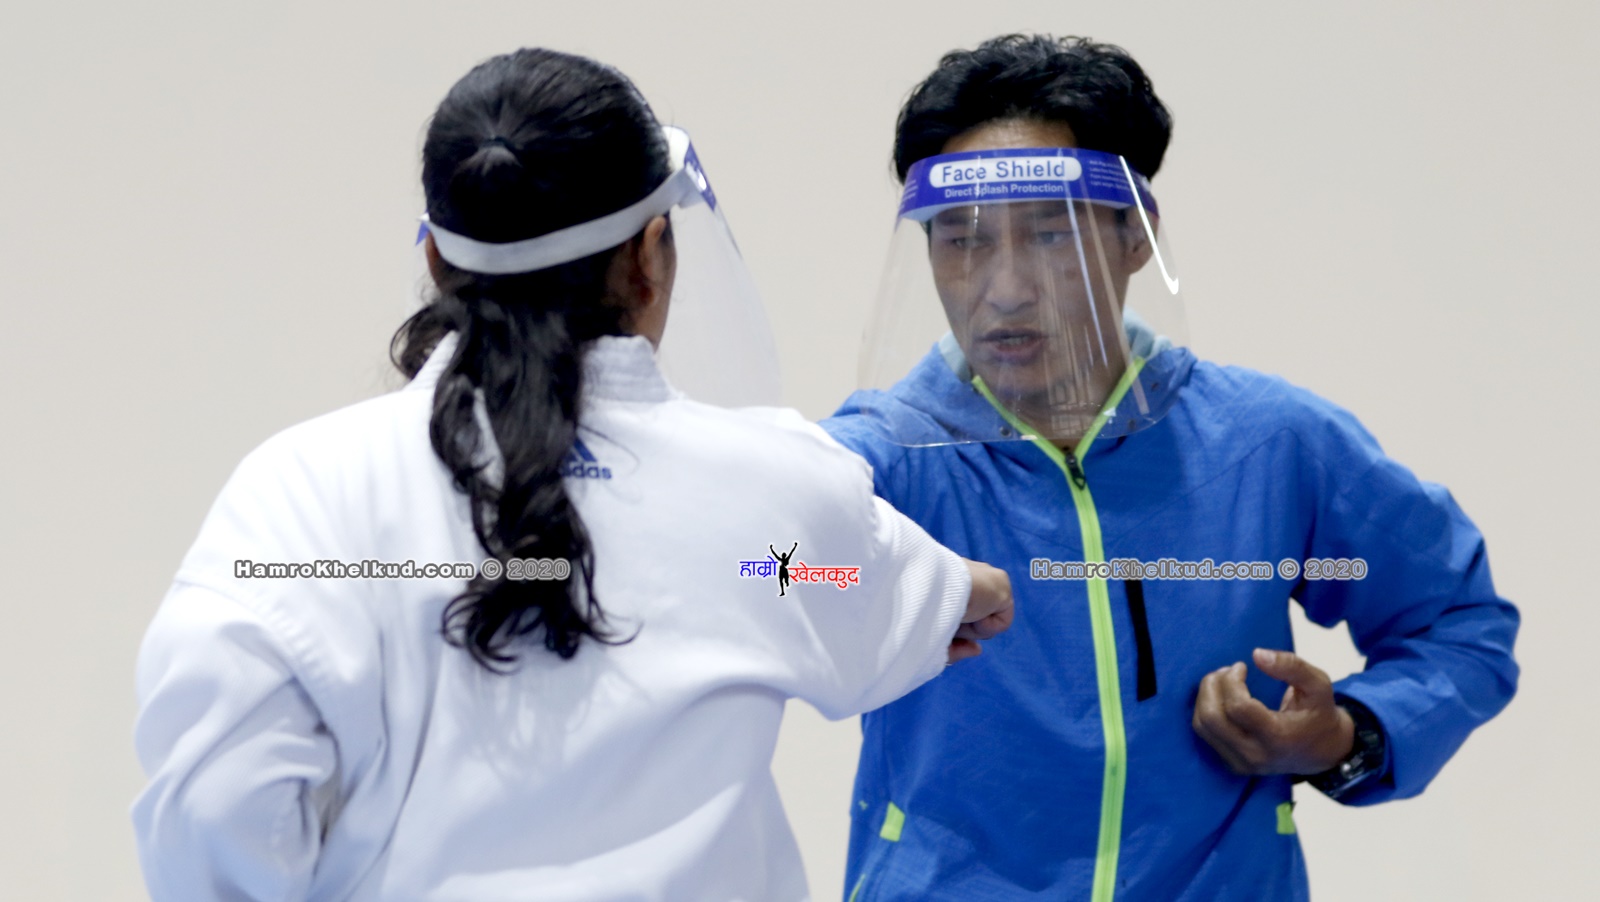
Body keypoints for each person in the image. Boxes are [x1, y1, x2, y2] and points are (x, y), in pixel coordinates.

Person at [131, 48, 1013, 901]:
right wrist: (955, 591)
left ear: (436, 262)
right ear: (649, 255)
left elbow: (215, 806)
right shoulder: (775, 496)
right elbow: (871, 589)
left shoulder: (298, 494)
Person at [822, 34, 1519, 901]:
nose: (1003, 289)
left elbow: (1460, 623)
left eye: (1050, 234)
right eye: (962, 241)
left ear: (1136, 234)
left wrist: (1346, 735)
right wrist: (881, 579)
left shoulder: (1269, 445)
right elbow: (756, 573)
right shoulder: (878, 460)